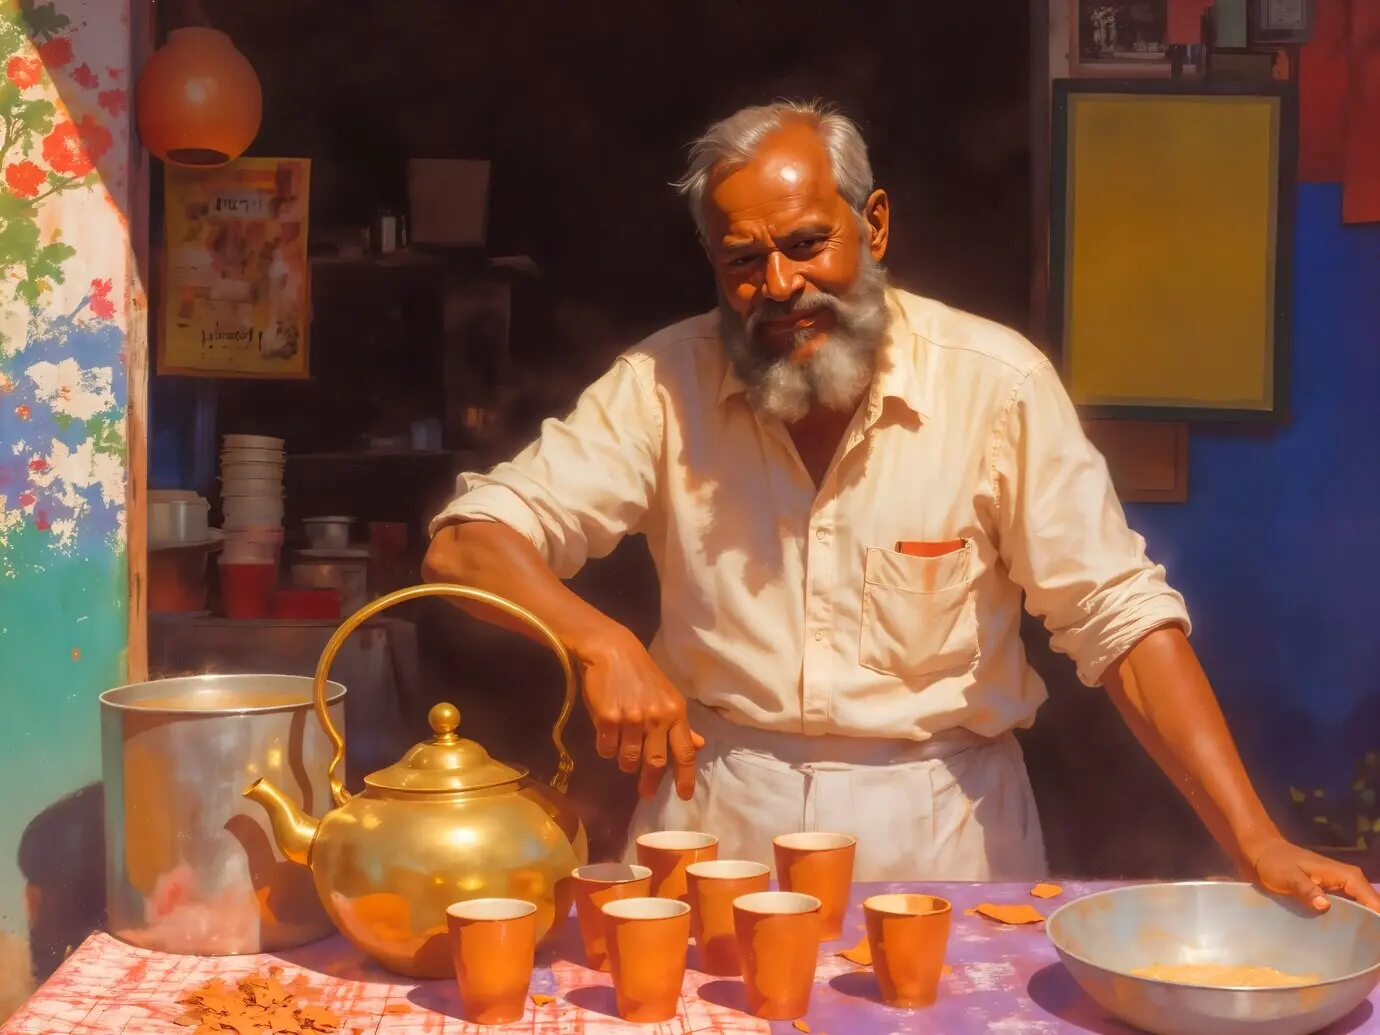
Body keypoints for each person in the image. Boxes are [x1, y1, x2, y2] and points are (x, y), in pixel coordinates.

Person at [423, 99, 1379, 910]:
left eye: (807, 245)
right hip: (712, 828)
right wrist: (602, 639)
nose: (779, 286)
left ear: (873, 226)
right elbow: (465, 547)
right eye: (743, 261)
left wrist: (1254, 841)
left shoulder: (994, 384)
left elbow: (1119, 619)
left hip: (938, 842)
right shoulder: (661, 383)